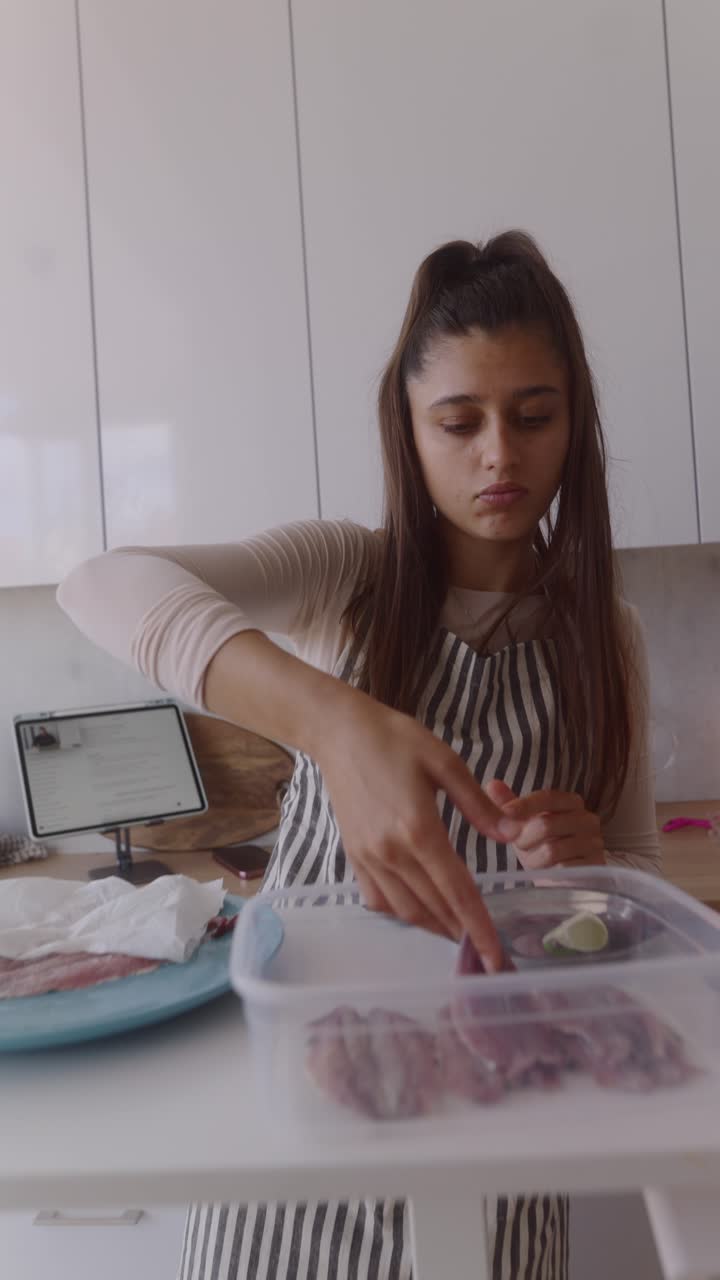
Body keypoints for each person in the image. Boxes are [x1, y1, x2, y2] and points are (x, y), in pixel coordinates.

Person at [57, 230, 660, 1280]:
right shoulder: (345, 576)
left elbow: (636, 898)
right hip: (300, 1131)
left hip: (500, 1137)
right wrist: (336, 725)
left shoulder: (606, 634)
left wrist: (594, 883)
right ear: (410, 431)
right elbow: (101, 583)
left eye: (533, 416)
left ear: (576, 422)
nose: (499, 458)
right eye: (458, 422)